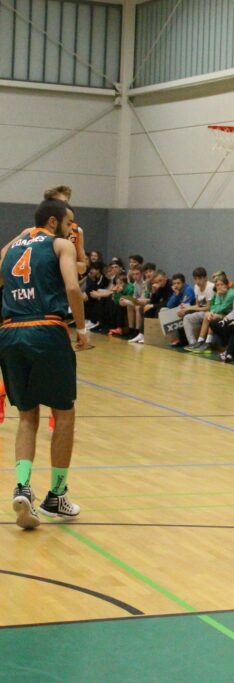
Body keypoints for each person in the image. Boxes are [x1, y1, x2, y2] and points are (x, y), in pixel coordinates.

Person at [2, 199, 88, 529]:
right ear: (53, 222)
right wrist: (81, 329)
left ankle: (23, 487)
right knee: (64, 413)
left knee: (27, 416)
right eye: (69, 222)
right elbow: (72, 287)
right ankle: (56, 495)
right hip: (46, 330)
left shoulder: (11, 249)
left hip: (10, 332)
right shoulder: (60, 245)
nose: (72, 228)